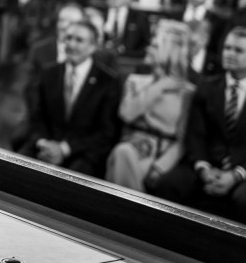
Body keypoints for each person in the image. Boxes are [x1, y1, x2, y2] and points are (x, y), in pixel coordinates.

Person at [152, 28, 246, 226]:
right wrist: (204, 168)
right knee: (168, 184)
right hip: (206, 164)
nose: (229, 54)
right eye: (227, 48)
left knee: (245, 199)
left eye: (238, 50)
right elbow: (195, 135)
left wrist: (236, 175)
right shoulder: (206, 86)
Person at [21, 19, 121, 176]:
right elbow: (37, 116)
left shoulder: (108, 82)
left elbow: (106, 132)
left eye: (79, 40)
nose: (71, 44)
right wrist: (44, 143)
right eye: (68, 38)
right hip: (45, 146)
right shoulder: (49, 74)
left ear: (92, 47)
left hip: (83, 153)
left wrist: (64, 149)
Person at [105, 20, 196, 192]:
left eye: (154, 45)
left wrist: (160, 167)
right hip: (131, 146)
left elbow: (183, 141)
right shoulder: (135, 82)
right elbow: (126, 113)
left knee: (122, 156)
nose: (148, 48)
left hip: (160, 155)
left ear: (168, 51)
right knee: (123, 152)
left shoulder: (187, 92)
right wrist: (159, 86)